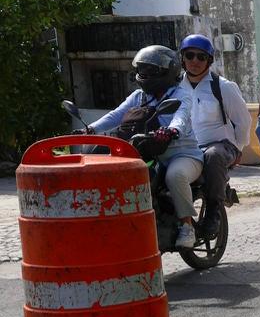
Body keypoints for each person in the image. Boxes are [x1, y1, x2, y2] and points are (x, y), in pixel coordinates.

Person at [89, 45, 202, 248]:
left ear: (167, 72)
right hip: (147, 151)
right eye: (142, 69)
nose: (144, 74)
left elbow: (181, 116)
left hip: (182, 155)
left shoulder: (181, 94)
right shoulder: (138, 96)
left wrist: (172, 130)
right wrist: (90, 129)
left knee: (175, 175)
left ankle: (187, 226)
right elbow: (116, 115)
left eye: (150, 70)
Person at [179, 33, 251, 238]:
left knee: (213, 155)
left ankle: (213, 213)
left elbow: (243, 121)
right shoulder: (175, 88)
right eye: (190, 55)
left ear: (209, 61)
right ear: (182, 58)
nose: (195, 61)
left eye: (201, 57)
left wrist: (239, 149)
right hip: (187, 148)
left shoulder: (222, 87)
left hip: (221, 145)